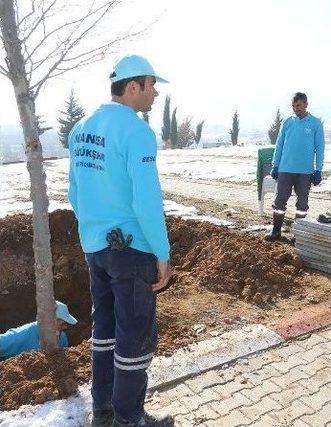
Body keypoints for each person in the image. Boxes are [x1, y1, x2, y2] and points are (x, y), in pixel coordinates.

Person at [67, 54, 173, 427]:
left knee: (105, 330)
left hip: (96, 247)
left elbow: (75, 193)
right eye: (151, 85)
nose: (155, 93)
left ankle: (104, 411)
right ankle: (130, 419)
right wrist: (162, 252)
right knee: (134, 334)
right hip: (132, 249)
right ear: (133, 87)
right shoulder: (136, 132)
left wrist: (94, 231)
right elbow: (147, 200)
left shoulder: (80, 129)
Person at [265, 92, 325, 241]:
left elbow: (320, 148)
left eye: (298, 105)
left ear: (306, 104)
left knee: (302, 204)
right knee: (279, 202)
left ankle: (298, 236)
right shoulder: (287, 123)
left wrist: (318, 169)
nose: (295, 108)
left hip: (305, 172)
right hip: (285, 169)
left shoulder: (315, 123)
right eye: (293, 106)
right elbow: (279, 145)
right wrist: (275, 165)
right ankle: (276, 231)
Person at [0, 301, 77, 359]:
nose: (65, 327)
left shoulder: (62, 337)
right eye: (62, 324)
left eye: (66, 324)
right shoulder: (23, 335)